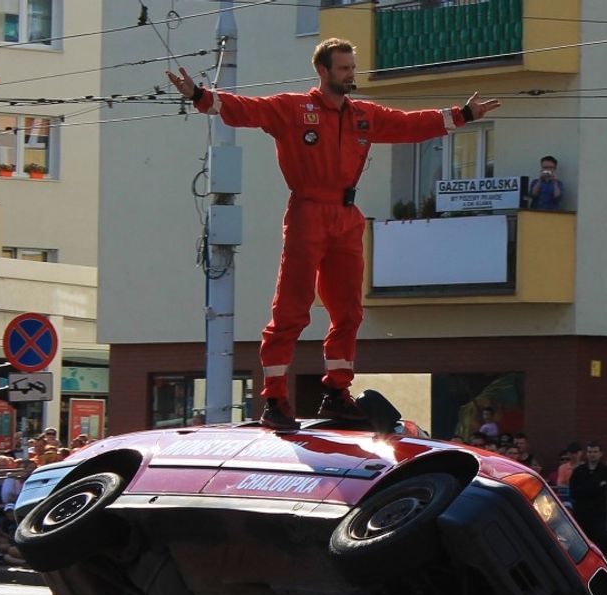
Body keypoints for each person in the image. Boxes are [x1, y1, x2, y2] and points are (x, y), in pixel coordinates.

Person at [168, 41, 501, 431]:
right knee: (292, 309)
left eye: (353, 67)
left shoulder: (363, 115)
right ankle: (275, 397)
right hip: (308, 212)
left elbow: (409, 125)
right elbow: (246, 111)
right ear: (323, 72)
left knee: (349, 311)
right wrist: (199, 95)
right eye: (344, 68)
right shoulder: (293, 109)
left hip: (346, 216)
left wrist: (461, 116)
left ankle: (336, 393)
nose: (351, 74)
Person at [568, 442, 607, 545]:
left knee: (599, 544)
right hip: (581, 514)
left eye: (595, 452)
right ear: (586, 453)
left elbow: (603, 490)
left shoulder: (606, 470)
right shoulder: (578, 471)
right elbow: (573, 492)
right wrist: (596, 486)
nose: (592, 454)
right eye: (590, 452)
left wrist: (584, 488)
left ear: (601, 453)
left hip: (598, 515)